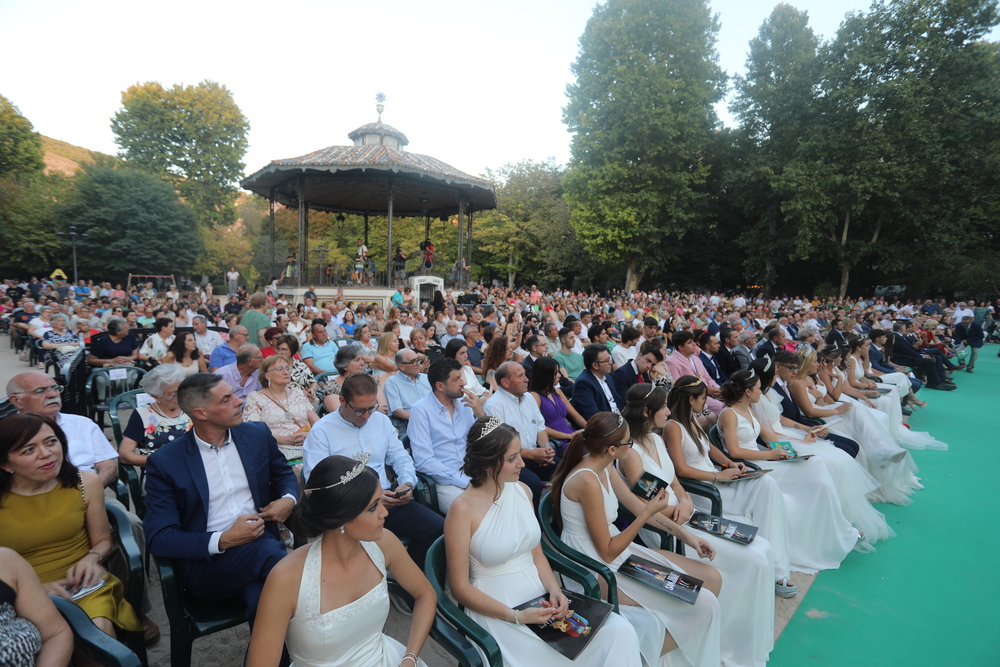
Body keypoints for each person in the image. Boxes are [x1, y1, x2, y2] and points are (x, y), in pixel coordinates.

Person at [443, 416, 643, 666]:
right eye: (511, 458)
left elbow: (536, 554)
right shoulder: (462, 509)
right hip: (497, 606)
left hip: (540, 595)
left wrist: (556, 590)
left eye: (519, 453)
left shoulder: (523, 491)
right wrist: (516, 616)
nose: (521, 462)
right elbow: (460, 587)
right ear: (487, 463)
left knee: (619, 631)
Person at [620, 383, 777, 667]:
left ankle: (740, 639)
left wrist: (685, 499)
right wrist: (677, 508)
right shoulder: (630, 453)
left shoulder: (656, 440)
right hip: (663, 527)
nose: (669, 411)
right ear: (647, 412)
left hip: (685, 513)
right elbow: (646, 502)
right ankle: (725, 645)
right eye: (663, 407)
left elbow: (674, 480)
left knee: (761, 548)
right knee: (751, 561)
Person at [551, 412, 723, 667]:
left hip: (615, 547)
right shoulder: (587, 479)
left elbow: (634, 504)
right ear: (611, 449)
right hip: (592, 563)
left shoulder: (604, 465)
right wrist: (646, 513)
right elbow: (608, 551)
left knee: (709, 582)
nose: (631, 447)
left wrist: (688, 536)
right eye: (628, 443)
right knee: (703, 605)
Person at [248, 457, 437, 667]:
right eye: (373, 507)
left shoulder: (385, 543)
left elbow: (425, 594)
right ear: (341, 518)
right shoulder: (287, 578)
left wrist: (409, 659)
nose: (385, 512)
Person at [144, 373, 298, 627]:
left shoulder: (256, 434)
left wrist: (288, 499)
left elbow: (283, 474)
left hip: (260, 549)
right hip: (207, 565)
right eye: (227, 399)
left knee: (265, 601)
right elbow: (160, 538)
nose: (240, 402)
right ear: (201, 413)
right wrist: (224, 539)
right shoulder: (166, 462)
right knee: (274, 555)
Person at [0, 413, 143, 639]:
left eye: (51, 441)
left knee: (96, 634)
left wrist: (91, 558)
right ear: (5, 463)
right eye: (28, 450)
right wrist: (32, 592)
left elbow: (103, 541)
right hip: (17, 594)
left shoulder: (85, 482)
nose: (46, 454)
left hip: (82, 586)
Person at [719, 369, 861, 572]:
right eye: (759, 389)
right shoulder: (729, 414)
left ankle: (838, 530)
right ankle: (831, 535)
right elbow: (734, 451)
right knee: (814, 472)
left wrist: (791, 451)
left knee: (816, 465)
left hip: (766, 458)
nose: (762, 392)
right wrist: (771, 455)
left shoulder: (748, 409)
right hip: (752, 466)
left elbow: (769, 437)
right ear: (748, 392)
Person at [303, 373, 444, 569]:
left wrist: (407, 483)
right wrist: (366, 499)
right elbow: (319, 483)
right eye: (360, 410)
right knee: (364, 551)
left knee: (438, 531)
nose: (368, 416)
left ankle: (412, 577)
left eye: (372, 407)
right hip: (349, 510)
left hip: (388, 499)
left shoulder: (381, 421)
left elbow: (400, 457)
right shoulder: (322, 431)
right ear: (342, 401)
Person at [753, 355, 893, 549]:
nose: (778, 376)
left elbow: (781, 419)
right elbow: (769, 435)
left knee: (840, 458)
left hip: (787, 434)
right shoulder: (755, 398)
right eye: (774, 373)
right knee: (829, 463)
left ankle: (843, 513)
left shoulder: (766, 393)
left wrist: (805, 429)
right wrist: (799, 441)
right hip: (778, 442)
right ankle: (835, 522)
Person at [408, 359, 486, 513]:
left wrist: (481, 414)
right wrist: (463, 481)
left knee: (516, 495)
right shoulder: (420, 410)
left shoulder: (465, 404)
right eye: (457, 379)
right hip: (442, 482)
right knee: (476, 513)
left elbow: (482, 443)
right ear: (440, 386)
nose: (463, 382)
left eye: (462, 377)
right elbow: (424, 461)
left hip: (473, 472)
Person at [484, 362, 554, 502]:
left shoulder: (528, 398)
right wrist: (532, 454)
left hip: (536, 454)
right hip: (509, 460)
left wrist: (546, 447)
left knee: (565, 468)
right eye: (520, 376)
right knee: (532, 483)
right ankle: (535, 521)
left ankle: (558, 516)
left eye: (525, 374)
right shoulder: (493, 406)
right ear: (505, 382)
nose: (527, 379)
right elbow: (499, 446)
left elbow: (540, 426)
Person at [243, 355, 320, 478]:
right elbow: (253, 431)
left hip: (306, 445)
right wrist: (284, 440)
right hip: (275, 448)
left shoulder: (298, 393)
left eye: (287, 368)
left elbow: (318, 423)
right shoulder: (255, 397)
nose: (286, 372)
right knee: (300, 470)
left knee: (328, 465)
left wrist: (308, 435)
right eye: (280, 369)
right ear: (267, 375)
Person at [0, 546, 74, 667]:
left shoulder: (6, 561)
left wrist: (92, 557)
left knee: (99, 624)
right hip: (44, 583)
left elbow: (56, 633)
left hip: (71, 582)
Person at [119, 364, 192, 469]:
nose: (181, 396)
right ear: (155, 396)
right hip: (161, 472)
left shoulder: (191, 408)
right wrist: (161, 461)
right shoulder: (143, 414)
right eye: (173, 394)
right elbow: (125, 455)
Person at [528, 356, 586, 452]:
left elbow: (575, 415)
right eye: (555, 373)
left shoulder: (558, 391)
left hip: (570, 432)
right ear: (545, 375)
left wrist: (590, 428)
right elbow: (538, 426)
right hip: (555, 439)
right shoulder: (534, 396)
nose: (560, 375)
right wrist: (568, 436)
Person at [571, 344, 624, 421]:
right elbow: (593, 415)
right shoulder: (583, 383)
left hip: (619, 418)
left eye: (610, 358)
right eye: (607, 360)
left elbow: (618, 402)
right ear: (595, 365)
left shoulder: (607, 377)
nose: (611, 362)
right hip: (606, 424)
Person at [384, 350, 431, 433]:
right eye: (413, 362)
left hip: (432, 418)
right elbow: (397, 412)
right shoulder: (392, 382)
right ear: (402, 366)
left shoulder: (426, 378)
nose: (418, 364)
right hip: (410, 422)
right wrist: (422, 418)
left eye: (418, 359)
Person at [273, 334, 318, 401]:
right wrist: (299, 394)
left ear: (292, 350)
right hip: (282, 399)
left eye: (284, 349)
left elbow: (312, 382)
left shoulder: (301, 365)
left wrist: (312, 389)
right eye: (278, 349)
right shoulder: (272, 366)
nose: (280, 352)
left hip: (304, 399)